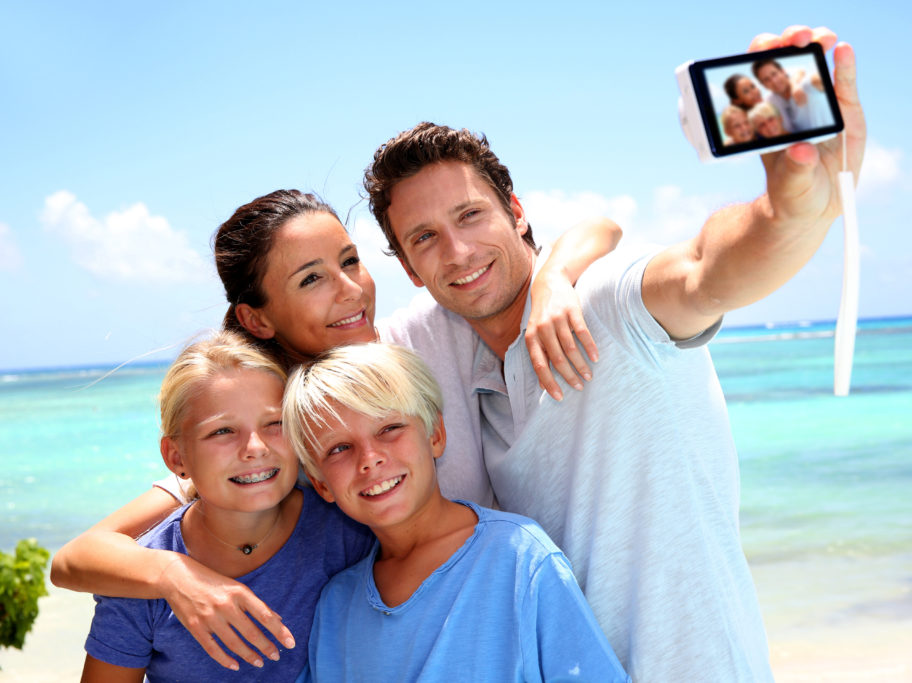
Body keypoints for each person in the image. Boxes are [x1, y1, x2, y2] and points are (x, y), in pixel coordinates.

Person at [360, 25, 863, 682]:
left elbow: (704, 269)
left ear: (516, 212)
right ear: (408, 266)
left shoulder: (601, 299)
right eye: (425, 237)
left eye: (471, 216)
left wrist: (795, 209)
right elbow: (316, 377)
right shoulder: (435, 343)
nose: (456, 251)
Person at [51, 191, 620, 670]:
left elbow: (601, 225)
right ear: (257, 318)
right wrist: (179, 576)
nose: (349, 289)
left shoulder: (414, 341)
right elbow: (79, 556)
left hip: (488, 603)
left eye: (350, 261)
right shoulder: (257, 445)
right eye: (311, 279)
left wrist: (553, 279)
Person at [282, 342, 629, 681]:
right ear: (321, 483)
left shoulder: (520, 558)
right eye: (340, 448)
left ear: (435, 434)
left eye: (389, 428)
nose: (369, 458)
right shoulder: (334, 609)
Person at [80, 331, 374, 681]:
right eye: (222, 431)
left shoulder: (345, 529)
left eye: (274, 424)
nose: (255, 447)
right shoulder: (139, 580)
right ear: (176, 457)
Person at [753, 56, 831, 133]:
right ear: (763, 84)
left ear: (783, 71)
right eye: (767, 79)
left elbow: (817, 80)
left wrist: (794, 85)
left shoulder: (802, 84)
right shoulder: (770, 101)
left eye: (774, 74)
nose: (774, 81)